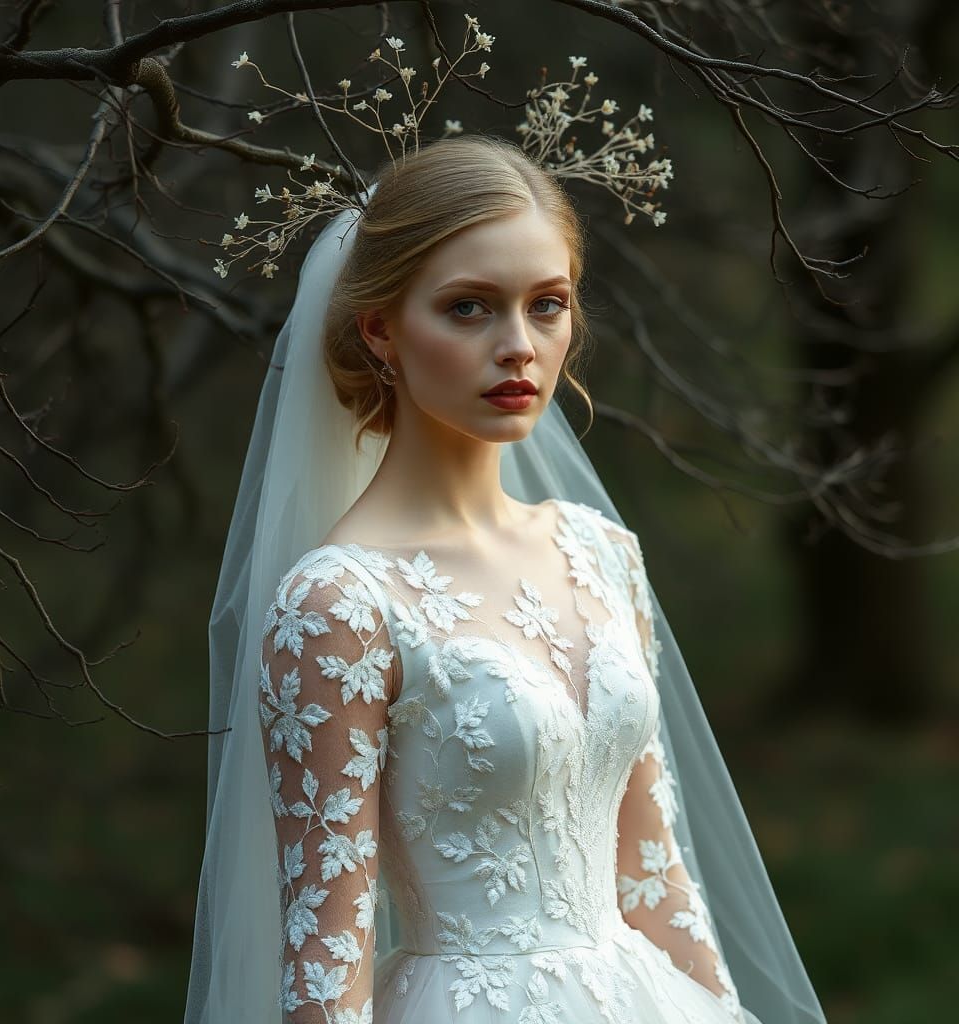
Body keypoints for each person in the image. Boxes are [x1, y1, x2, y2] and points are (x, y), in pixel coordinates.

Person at [183, 136, 827, 1024]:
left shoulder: (600, 552)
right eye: (469, 308)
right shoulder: (337, 605)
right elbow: (327, 957)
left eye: (547, 305)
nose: (519, 346)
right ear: (380, 330)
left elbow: (652, 869)